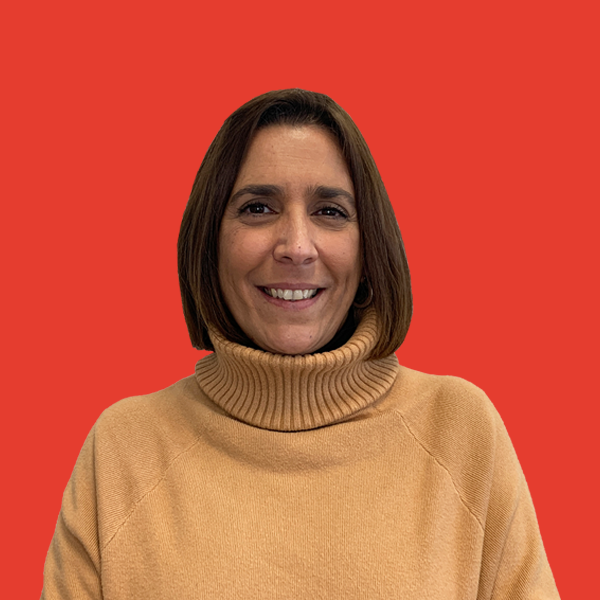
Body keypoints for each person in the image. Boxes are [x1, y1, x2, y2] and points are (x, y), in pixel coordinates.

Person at [41, 89, 560, 599]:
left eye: (330, 212)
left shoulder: (461, 432)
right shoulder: (123, 448)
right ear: (210, 242)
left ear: (369, 248)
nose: (296, 246)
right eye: (258, 207)